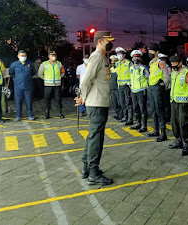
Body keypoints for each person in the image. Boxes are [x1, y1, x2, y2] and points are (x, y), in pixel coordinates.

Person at [75, 31, 116, 186]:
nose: (111, 43)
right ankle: (93, 173)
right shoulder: (97, 56)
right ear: (100, 41)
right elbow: (86, 80)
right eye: (108, 40)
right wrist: (83, 97)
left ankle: (87, 169)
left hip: (99, 102)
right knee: (96, 139)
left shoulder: (103, 56)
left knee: (93, 136)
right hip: (96, 103)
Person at [168, 55, 188, 156]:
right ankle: (178, 140)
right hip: (174, 101)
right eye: (172, 64)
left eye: (175, 63)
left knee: (184, 124)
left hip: (184, 103)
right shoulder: (173, 73)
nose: (173, 65)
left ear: (180, 63)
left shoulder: (187, 73)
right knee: (174, 123)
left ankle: (186, 144)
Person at [147, 43, 171, 142]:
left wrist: (163, 88)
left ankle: (163, 133)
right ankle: (156, 130)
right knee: (153, 110)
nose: (150, 53)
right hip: (151, 88)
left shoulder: (160, 62)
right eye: (149, 51)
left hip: (158, 88)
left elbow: (167, 77)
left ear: (156, 52)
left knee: (160, 111)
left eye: (151, 51)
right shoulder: (151, 63)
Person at [9, 50, 36, 121]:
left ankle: (30, 115)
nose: (23, 57)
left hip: (28, 86)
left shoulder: (30, 64)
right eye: (21, 56)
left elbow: (33, 72)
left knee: (29, 101)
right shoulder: (14, 65)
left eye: (24, 56)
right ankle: (18, 116)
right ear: (18, 56)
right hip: (18, 86)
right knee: (18, 101)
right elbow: (11, 73)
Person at [38, 50, 65, 119]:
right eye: (52, 55)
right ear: (49, 56)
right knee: (47, 99)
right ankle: (47, 113)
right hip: (48, 85)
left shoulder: (59, 64)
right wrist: (46, 79)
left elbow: (63, 72)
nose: (54, 56)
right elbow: (40, 74)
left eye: (55, 55)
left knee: (58, 99)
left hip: (57, 85)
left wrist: (59, 77)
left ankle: (60, 112)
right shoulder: (44, 64)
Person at [129, 50, 149, 133]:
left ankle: (144, 125)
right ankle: (138, 123)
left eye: (137, 57)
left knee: (142, 108)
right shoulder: (131, 68)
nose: (135, 58)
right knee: (135, 108)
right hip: (133, 90)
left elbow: (148, 77)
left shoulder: (143, 68)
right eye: (134, 57)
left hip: (141, 90)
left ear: (140, 58)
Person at [115, 47, 133, 125]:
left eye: (120, 54)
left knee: (128, 102)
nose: (119, 55)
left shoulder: (129, 63)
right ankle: (125, 117)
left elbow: (133, 74)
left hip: (127, 86)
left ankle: (130, 118)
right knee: (122, 102)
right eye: (117, 54)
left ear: (124, 55)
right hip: (120, 86)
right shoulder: (117, 63)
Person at [109, 55, 122, 120]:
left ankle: (122, 115)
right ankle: (118, 114)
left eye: (115, 60)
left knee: (120, 103)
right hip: (112, 88)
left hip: (118, 88)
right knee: (114, 103)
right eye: (112, 61)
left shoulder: (119, 69)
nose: (113, 62)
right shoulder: (111, 69)